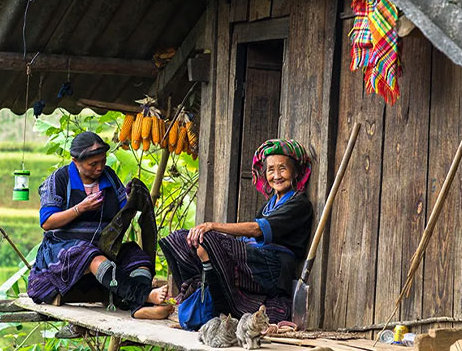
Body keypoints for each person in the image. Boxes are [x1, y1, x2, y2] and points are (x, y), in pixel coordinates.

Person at [160, 139, 313, 323]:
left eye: (283, 168)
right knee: (179, 239)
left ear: (296, 172)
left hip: (274, 268)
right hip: (257, 260)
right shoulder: (268, 206)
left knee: (208, 238)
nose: (276, 175)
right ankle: (195, 293)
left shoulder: (299, 204)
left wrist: (213, 226)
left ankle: (222, 306)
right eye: (271, 170)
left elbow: (257, 230)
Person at [27, 131, 171, 319]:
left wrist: (131, 199)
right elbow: (46, 222)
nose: (99, 167)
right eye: (93, 164)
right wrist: (80, 208)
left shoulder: (109, 177)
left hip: (103, 246)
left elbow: (123, 210)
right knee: (90, 256)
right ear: (76, 161)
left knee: (137, 257)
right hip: (63, 250)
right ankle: (145, 296)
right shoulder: (60, 179)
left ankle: (138, 308)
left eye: (102, 161)